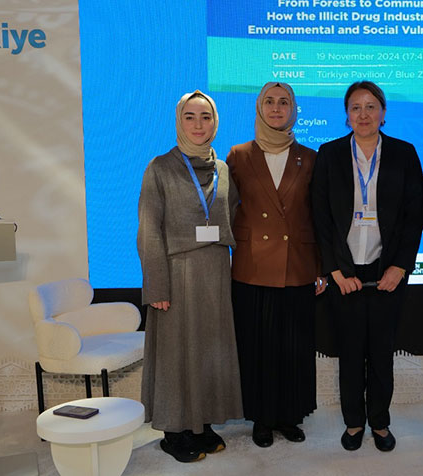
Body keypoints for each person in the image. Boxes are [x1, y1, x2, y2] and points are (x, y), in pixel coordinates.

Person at [311, 81, 423, 453]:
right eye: (356, 107)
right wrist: (335, 271)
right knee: (350, 353)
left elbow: (414, 217)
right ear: (347, 115)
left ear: (383, 113)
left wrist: (400, 268)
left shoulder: (404, 153)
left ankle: (379, 421)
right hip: (344, 273)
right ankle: (354, 422)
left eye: (371, 106)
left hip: (386, 271)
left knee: (381, 354)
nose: (364, 114)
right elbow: (320, 217)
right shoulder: (329, 154)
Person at [137, 90, 243, 463]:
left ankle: (201, 423)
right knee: (176, 354)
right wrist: (156, 285)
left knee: (210, 350)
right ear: (179, 121)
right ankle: (174, 431)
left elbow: (232, 216)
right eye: (190, 117)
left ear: (215, 123)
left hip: (215, 273)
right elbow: (148, 230)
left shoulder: (223, 169)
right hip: (176, 275)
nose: (199, 125)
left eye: (206, 117)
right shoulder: (159, 168)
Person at [226, 81, 326, 448]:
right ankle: (262, 418)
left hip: (297, 264)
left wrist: (321, 266)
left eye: (284, 102)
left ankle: (289, 415)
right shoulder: (238, 155)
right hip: (253, 266)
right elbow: (227, 209)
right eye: (269, 101)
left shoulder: (310, 157)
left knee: (293, 347)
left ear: (293, 110)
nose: (276, 108)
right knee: (258, 347)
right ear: (259, 108)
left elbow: (317, 215)